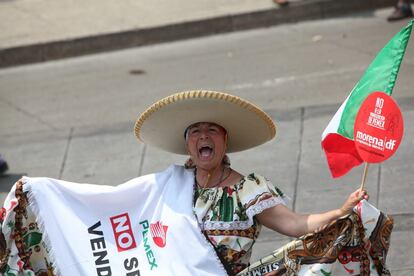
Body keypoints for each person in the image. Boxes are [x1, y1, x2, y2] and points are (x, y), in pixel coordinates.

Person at [134, 90, 368, 275]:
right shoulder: (172, 183)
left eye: (212, 129)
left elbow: (295, 224)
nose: (204, 135)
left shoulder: (248, 191)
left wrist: (340, 211)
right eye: (195, 131)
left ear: (225, 141)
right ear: (188, 145)